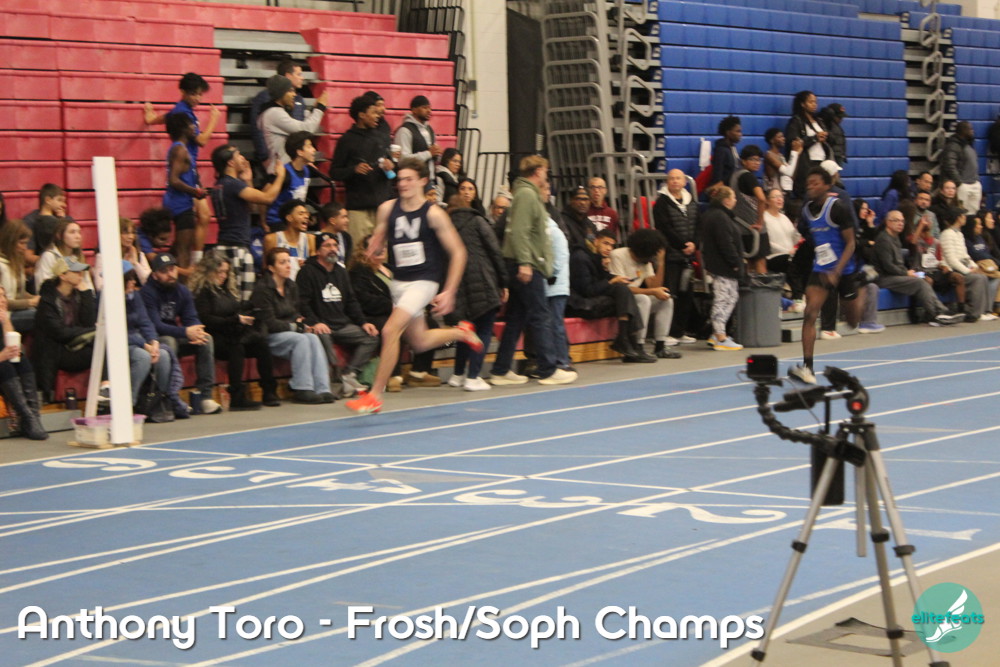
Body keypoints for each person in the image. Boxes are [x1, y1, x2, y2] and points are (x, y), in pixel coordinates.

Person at [345, 158, 484, 414]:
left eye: (409, 179)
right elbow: (380, 236)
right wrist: (374, 245)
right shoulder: (387, 208)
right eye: (400, 179)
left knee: (390, 331)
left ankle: (375, 395)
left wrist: (450, 291)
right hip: (399, 282)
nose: (403, 184)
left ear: (423, 181)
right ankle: (461, 333)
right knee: (419, 342)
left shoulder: (434, 214)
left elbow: (458, 252)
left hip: (424, 282)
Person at [490, 155, 578, 386]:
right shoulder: (527, 195)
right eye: (545, 171)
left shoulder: (524, 194)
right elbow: (520, 231)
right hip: (527, 265)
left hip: (522, 262)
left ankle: (500, 369)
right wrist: (525, 262)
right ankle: (548, 369)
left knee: (516, 318)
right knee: (540, 315)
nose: (546, 176)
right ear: (538, 171)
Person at [790, 168, 866, 384]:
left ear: (826, 185)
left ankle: (862, 288)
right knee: (810, 313)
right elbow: (808, 235)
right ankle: (807, 367)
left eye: (815, 183)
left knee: (852, 322)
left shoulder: (838, 208)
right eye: (808, 184)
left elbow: (850, 243)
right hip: (822, 269)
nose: (811, 187)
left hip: (845, 269)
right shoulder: (806, 211)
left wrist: (838, 271)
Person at [144, 72, 220, 267]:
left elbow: (168, 117)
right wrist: (214, 119)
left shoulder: (182, 111)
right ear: (184, 92)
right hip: (186, 174)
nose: (198, 98)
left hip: (189, 171)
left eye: (200, 94)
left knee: (188, 233)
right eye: (194, 94)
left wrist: (151, 119)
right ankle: (194, 262)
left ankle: (168, 264)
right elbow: (201, 140)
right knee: (200, 220)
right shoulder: (183, 125)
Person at [191, 253, 278, 410]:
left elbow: (235, 311)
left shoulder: (227, 290)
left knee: (261, 344)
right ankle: (236, 396)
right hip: (215, 336)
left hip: (233, 331)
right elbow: (206, 319)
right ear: (209, 271)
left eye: (226, 272)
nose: (223, 276)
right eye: (219, 272)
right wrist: (235, 320)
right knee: (236, 346)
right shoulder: (203, 292)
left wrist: (247, 312)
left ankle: (269, 390)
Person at [297, 232, 379, 397]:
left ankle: (348, 374)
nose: (332, 249)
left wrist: (363, 322)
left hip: (342, 324)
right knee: (323, 338)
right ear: (318, 251)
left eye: (335, 245)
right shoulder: (306, 272)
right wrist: (314, 322)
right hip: (321, 325)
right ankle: (335, 383)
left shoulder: (341, 272)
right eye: (327, 246)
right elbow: (302, 302)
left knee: (371, 337)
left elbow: (351, 301)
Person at [140, 252, 223, 414]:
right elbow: (156, 325)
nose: (170, 274)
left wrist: (196, 331)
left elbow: (191, 317)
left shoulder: (182, 290)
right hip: (154, 338)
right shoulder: (147, 293)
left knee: (206, 339)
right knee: (169, 342)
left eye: (172, 269)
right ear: (155, 275)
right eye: (164, 271)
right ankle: (171, 396)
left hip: (176, 334)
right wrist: (186, 331)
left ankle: (205, 396)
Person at [251, 247, 335, 404]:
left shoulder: (291, 286)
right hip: (268, 335)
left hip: (289, 332)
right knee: (301, 339)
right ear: (271, 268)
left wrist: (301, 322)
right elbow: (268, 322)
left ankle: (323, 388)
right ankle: (302, 387)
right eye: (282, 262)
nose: (288, 266)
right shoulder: (262, 289)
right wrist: (295, 327)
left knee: (312, 337)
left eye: (288, 262)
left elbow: (295, 313)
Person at [445, 195, 507, 391]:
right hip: (482, 281)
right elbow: (495, 251)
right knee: (484, 330)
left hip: (457, 285)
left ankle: (457, 374)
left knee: (464, 330)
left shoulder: (444, 227)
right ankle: (473, 376)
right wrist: (504, 282)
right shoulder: (478, 221)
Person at [210, 144, 286, 300]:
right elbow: (267, 198)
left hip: (227, 244)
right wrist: (280, 177)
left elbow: (251, 207)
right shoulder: (233, 184)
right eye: (238, 155)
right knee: (241, 298)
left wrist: (248, 180)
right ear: (230, 162)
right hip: (236, 247)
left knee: (231, 295)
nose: (243, 158)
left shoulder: (221, 184)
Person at [567, 230, 651, 362]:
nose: (609, 249)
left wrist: (614, 276)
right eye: (605, 243)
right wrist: (611, 281)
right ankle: (629, 342)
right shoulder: (580, 258)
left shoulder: (595, 256)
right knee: (623, 293)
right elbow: (587, 290)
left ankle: (626, 341)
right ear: (596, 241)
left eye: (611, 245)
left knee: (623, 290)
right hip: (581, 305)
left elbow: (600, 280)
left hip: (592, 300)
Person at [873, 211, 963, 326]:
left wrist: (907, 272)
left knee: (922, 279)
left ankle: (939, 313)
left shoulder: (895, 238)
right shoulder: (883, 240)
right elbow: (888, 266)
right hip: (885, 277)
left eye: (902, 221)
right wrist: (906, 273)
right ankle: (938, 313)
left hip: (897, 275)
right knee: (919, 282)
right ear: (888, 222)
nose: (900, 223)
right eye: (896, 220)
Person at [329, 95, 395, 243]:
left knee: (382, 252)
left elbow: (392, 165)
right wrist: (353, 169)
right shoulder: (346, 140)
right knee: (358, 251)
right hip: (358, 209)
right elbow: (334, 172)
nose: (378, 115)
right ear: (361, 115)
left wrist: (391, 165)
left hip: (382, 206)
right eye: (373, 112)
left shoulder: (383, 138)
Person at [32, 257, 97, 402]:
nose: (80, 275)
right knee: (99, 350)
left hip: (77, 345)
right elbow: (59, 332)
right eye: (76, 272)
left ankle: (106, 387)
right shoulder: (47, 301)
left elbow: (88, 323)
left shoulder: (78, 295)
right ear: (63, 275)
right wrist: (90, 331)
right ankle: (105, 387)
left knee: (105, 345)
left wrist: (86, 294)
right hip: (57, 352)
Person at [609, 229, 680, 359]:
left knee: (666, 299)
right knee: (643, 299)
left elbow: (654, 286)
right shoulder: (618, 255)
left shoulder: (645, 260)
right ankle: (638, 346)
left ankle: (660, 346)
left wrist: (661, 263)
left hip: (634, 298)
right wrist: (652, 291)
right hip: (620, 300)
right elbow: (621, 288)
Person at [122, 263, 181, 415]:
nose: (133, 282)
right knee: (142, 357)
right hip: (121, 343)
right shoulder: (105, 298)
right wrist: (144, 345)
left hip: (138, 340)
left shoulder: (135, 296)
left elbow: (145, 322)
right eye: (129, 279)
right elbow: (117, 331)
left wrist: (153, 341)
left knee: (163, 354)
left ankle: (159, 402)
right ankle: (128, 405)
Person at [348, 235, 403, 392]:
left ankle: (419, 371)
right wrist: (391, 306)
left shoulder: (390, 269)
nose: (382, 249)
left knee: (429, 323)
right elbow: (365, 299)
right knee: (391, 327)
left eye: (383, 246)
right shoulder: (358, 271)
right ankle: (392, 375)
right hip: (372, 315)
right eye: (376, 246)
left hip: (396, 311)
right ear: (365, 251)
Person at [699, 186, 744, 351]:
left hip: (721, 265)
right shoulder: (719, 217)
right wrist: (735, 262)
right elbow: (725, 242)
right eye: (733, 197)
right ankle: (720, 336)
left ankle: (716, 333)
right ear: (726, 200)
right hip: (723, 266)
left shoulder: (717, 215)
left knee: (730, 297)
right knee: (723, 299)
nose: (735, 200)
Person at [0, 285, 47, 440]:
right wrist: (2, 356)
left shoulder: (2, 316)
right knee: (4, 366)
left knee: (22, 360)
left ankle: (34, 417)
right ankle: (28, 417)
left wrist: (5, 320)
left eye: (3, 296)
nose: (2, 300)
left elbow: (11, 341)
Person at [162, 113, 206, 269]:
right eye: (191, 124)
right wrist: (195, 192)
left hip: (178, 202)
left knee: (178, 247)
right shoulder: (180, 150)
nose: (195, 127)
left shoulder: (179, 148)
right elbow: (173, 180)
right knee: (184, 250)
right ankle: (182, 283)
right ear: (183, 129)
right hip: (181, 204)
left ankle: (162, 271)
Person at [257, 74, 326, 174]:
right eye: (290, 91)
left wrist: (313, 110)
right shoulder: (274, 113)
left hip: (285, 169)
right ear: (281, 93)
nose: (294, 94)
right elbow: (306, 130)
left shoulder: (276, 111)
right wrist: (320, 108)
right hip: (280, 171)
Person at [939, 207, 995, 321]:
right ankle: (975, 313)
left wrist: (975, 267)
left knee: (982, 276)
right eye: (963, 216)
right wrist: (968, 271)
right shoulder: (947, 234)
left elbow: (966, 256)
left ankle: (986, 310)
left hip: (964, 267)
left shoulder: (959, 234)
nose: (965, 218)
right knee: (978, 278)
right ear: (958, 218)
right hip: (953, 271)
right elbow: (951, 260)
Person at [249, 59, 307, 162]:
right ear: (288, 76)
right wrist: (264, 155)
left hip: (295, 157)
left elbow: (301, 129)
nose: (302, 78)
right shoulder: (265, 97)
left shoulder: (299, 99)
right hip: (275, 158)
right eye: (299, 74)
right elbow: (257, 127)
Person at [730, 145, 770, 274]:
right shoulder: (749, 177)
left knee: (749, 265)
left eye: (759, 160)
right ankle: (761, 288)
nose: (757, 163)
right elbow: (762, 198)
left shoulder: (734, 176)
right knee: (760, 264)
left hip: (741, 226)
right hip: (754, 227)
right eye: (753, 159)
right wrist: (760, 221)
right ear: (743, 161)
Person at [266, 131, 316, 233]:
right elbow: (264, 195)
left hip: (295, 221)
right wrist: (263, 221)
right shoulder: (284, 173)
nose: (314, 150)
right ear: (300, 152)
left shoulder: (306, 170)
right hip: (279, 223)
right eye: (309, 146)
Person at [785, 91, 832, 197]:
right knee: (809, 192)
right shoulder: (796, 121)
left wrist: (826, 136)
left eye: (815, 102)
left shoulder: (818, 120)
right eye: (811, 102)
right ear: (802, 104)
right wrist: (815, 138)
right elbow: (794, 142)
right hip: (807, 164)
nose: (814, 105)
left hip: (822, 161)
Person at [762, 189, 803, 301]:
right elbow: (767, 243)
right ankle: (798, 297)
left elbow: (795, 238)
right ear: (768, 201)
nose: (779, 199)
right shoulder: (764, 218)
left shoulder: (784, 218)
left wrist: (798, 232)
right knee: (790, 262)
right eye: (775, 197)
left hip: (789, 255)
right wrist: (787, 251)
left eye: (781, 196)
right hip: (774, 257)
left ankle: (804, 295)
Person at [33, 219, 95, 292]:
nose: (78, 236)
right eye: (72, 232)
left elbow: (89, 286)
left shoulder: (79, 257)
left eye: (79, 232)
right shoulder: (48, 256)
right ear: (59, 235)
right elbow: (41, 287)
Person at [0, 221, 39, 333]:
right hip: (5, 315)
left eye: (26, 243)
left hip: (15, 311)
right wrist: (31, 302)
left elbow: (20, 292)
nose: (25, 248)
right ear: (10, 242)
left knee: (49, 310)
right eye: (21, 243)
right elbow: (3, 303)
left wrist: (38, 298)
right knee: (42, 316)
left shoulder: (17, 261)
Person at [263, 199, 315, 281]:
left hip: (304, 284)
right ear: (289, 218)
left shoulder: (310, 239)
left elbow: (314, 267)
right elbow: (266, 267)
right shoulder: (272, 239)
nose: (306, 217)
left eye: (307, 214)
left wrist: (306, 265)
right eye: (301, 214)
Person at [95, 218, 152, 292]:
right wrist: (126, 289)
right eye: (126, 233)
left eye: (132, 233)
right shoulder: (103, 257)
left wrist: (135, 263)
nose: (131, 237)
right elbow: (100, 286)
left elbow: (148, 282)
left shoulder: (139, 254)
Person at [22, 183, 73, 264]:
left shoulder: (66, 219)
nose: (64, 205)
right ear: (48, 200)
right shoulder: (30, 221)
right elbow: (28, 256)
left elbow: (75, 251)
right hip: (43, 266)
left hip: (67, 263)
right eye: (60, 200)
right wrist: (52, 262)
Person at [394, 94, 442, 176]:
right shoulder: (405, 131)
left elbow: (433, 155)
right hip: (413, 179)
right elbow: (403, 160)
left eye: (429, 108)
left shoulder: (429, 129)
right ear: (414, 110)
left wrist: (437, 154)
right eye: (424, 108)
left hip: (429, 178)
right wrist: (428, 153)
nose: (429, 111)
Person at [941, 121, 981, 214]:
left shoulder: (968, 145)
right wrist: (959, 183)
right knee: (961, 213)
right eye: (970, 129)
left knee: (973, 215)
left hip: (974, 183)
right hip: (963, 185)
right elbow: (949, 165)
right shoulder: (953, 146)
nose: (972, 131)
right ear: (963, 130)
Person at [763, 128, 801, 196]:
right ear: (772, 140)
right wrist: (794, 152)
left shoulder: (781, 156)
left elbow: (791, 175)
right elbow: (788, 172)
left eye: (783, 136)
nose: (784, 139)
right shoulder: (769, 155)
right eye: (780, 137)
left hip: (783, 193)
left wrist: (797, 154)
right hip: (773, 194)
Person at [710, 116, 742, 195]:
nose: (740, 134)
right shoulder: (721, 150)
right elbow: (717, 174)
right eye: (737, 131)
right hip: (724, 192)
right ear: (728, 132)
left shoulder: (732, 148)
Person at [560, 185, 597, 252]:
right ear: (571, 201)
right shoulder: (562, 221)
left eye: (586, 199)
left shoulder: (590, 225)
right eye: (578, 199)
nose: (582, 203)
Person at [317, 201, 353, 265]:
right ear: (332, 221)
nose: (347, 220)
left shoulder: (346, 237)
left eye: (347, 217)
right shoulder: (316, 237)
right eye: (343, 217)